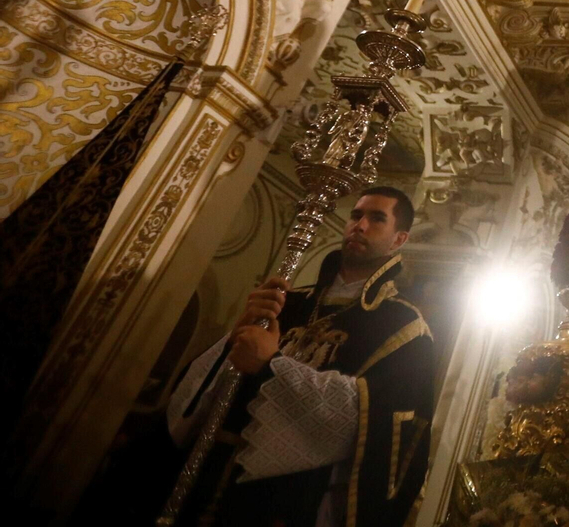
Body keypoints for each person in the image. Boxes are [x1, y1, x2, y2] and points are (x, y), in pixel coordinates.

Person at [167, 187, 436, 527]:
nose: (360, 225)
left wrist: (271, 366)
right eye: (356, 215)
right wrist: (236, 336)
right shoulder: (288, 302)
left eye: (377, 218)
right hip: (213, 472)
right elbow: (211, 385)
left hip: (295, 495)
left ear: (399, 239)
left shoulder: (404, 327)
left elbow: (366, 419)